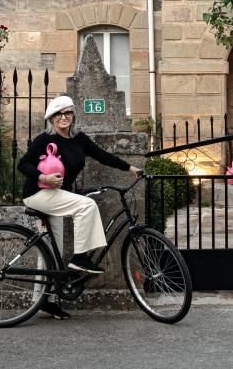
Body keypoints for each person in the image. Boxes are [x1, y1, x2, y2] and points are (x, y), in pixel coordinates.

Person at [18, 95, 141, 320]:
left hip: (56, 196)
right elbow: (23, 164)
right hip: (38, 194)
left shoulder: (78, 139)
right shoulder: (45, 139)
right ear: (51, 119)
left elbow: (102, 156)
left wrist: (130, 168)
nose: (64, 117)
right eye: (58, 114)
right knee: (86, 205)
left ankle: (45, 301)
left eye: (68, 113)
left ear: (73, 116)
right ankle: (80, 258)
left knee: (51, 251)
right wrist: (44, 177)